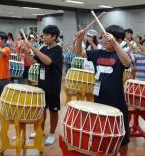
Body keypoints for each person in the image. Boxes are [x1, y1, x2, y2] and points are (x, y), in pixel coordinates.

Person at [74, 25, 132, 155]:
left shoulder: (121, 54)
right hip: (99, 99)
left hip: (117, 101)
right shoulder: (98, 53)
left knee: (122, 136)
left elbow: (127, 63)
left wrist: (116, 45)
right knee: (101, 133)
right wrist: (79, 39)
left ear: (118, 40)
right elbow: (79, 52)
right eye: (103, 38)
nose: (104, 41)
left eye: (108, 38)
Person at [23, 25, 63, 146]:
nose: (43, 37)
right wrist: (27, 54)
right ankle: (39, 130)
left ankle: (51, 133)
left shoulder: (57, 49)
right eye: (43, 35)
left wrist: (34, 49)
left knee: (53, 110)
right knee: (41, 109)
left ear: (54, 37)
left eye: (46, 35)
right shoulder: (44, 48)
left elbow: (48, 61)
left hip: (53, 85)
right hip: (42, 83)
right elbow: (34, 62)